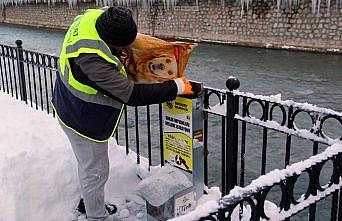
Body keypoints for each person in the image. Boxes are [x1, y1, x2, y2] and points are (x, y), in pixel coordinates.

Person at [51, 6, 193, 221]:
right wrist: (177, 87)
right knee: (95, 170)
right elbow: (132, 95)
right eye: (123, 46)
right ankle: (96, 216)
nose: (128, 48)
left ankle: (90, 202)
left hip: (67, 100)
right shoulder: (91, 61)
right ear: (111, 41)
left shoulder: (99, 17)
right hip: (80, 116)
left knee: (89, 166)